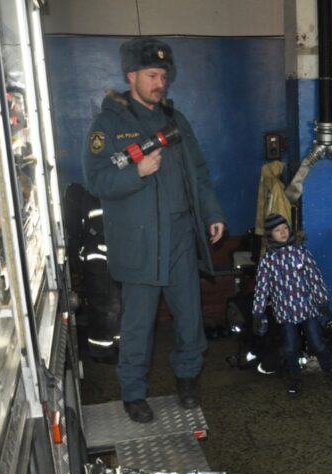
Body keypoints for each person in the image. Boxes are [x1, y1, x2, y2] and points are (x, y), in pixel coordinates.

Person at [83, 38, 225, 423]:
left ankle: (187, 378)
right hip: (139, 241)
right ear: (131, 76)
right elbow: (97, 181)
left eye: (163, 75)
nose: (160, 83)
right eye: (152, 75)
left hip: (180, 236)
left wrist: (212, 213)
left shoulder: (176, 121)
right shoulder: (108, 125)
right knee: (138, 323)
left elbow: (198, 172)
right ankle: (133, 393)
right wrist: (138, 172)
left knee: (190, 316)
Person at [252, 215, 332, 396]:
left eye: (285, 228)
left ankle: (330, 373)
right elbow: (262, 288)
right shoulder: (268, 260)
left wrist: (322, 302)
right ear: (270, 235)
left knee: (318, 344)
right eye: (277, 230)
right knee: (291, 347)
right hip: (285, 312)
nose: (282, 232)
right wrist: (258, 313)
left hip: (308, 309)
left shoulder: (302, 253)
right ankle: (295, 377)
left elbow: (315, 278)